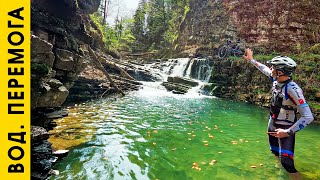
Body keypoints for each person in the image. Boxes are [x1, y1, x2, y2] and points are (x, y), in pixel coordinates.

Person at [243, 48, 314, 180]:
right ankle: (279, 175)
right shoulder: (277, 80)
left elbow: (308, 117)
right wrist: (251, 60)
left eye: (273, 67)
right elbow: (263, 68)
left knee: (288, 164)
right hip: (273, 123)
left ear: (280, 72)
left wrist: (287, 132)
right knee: (275, 152)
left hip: (286, 127)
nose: (271, 68)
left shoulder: (293, 89)